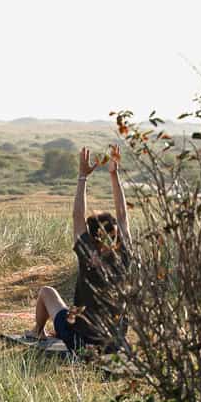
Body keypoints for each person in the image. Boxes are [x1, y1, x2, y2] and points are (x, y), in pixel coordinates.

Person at [28, 144, 130, 352]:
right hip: (115, 342)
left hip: (80, 341)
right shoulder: (124, 253)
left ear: (93, 239)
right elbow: (122, 215)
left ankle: (38, 331)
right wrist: (114, 175)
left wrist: (82, 177)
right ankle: (50, 329)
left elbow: (77, 216)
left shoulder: (88, 252)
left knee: (47, 292)